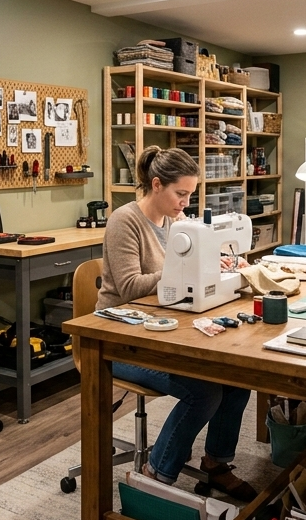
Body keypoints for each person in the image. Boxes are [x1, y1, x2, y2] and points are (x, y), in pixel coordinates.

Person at [97, 146, 257, 501]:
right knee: (203, 391)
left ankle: (216, 465)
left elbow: (177, 279)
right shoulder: (125, 221)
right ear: (156, 185)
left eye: (190, 194)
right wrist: (182, 271)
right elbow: (128, 287)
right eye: (180, 193)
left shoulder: (173, 223)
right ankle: (155, 476)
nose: (186, 202)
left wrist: (215, 265)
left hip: (160, 326)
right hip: (120, 337)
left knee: (237, 378)